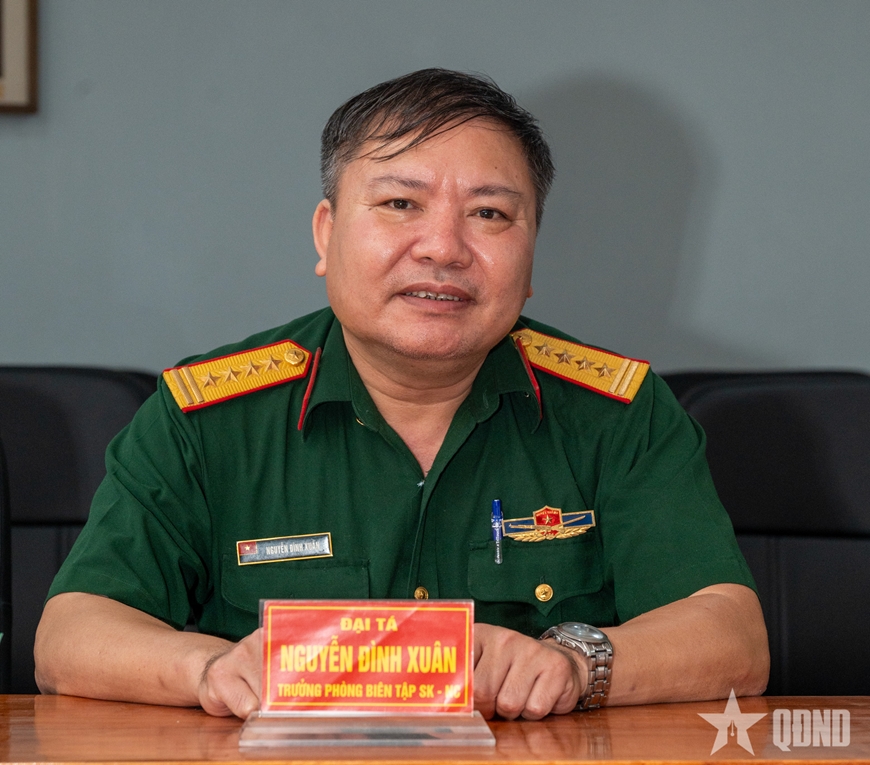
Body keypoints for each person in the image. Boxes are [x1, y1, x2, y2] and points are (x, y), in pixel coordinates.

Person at [34, 68, 768, 720]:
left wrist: (576, 663)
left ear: (531, 252)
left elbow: (731, 638)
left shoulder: (617, 412)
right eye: (399, 203)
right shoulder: (206, 417)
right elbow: (70, 637)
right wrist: (209, 669)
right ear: (325, 235)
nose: (443, 247)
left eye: (490, 214)